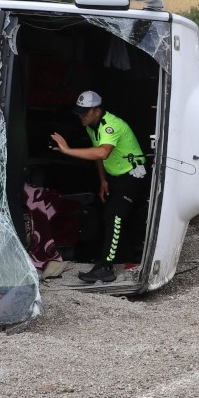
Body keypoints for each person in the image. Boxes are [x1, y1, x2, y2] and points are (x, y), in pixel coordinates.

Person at [51, 90, 147, 283]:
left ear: (97, 110)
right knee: (109, 215)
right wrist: (103, 180)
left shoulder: (111, 126)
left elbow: (102, 153)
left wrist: (68, 151)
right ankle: (117, 259)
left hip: (133, 174)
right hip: (116, 176)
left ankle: (106, 268)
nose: (81, 115)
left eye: (85, 112)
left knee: (115, 217)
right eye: (79, 111)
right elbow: (98, 156)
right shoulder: (91, 127)